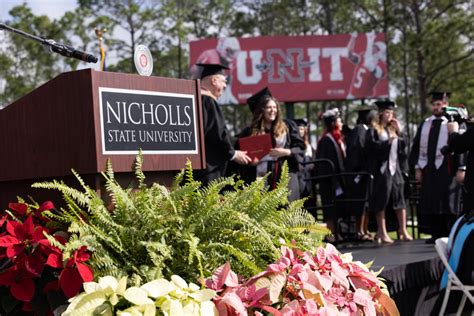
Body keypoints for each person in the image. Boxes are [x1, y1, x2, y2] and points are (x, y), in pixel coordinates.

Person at [236, 87, 305, 202]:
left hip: (285, 174)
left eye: (274, 107)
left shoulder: (287, 127)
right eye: (269, 107)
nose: (273, 110)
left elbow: (300, 147)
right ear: (261, 110)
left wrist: (287, 152)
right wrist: (250, 161)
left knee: (286, 208)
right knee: (262, 208)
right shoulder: (249, 132)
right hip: (260, 176)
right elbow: (241, 154)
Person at [409, 92, 461, 243]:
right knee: (431, 200)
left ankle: (450, 234)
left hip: (447, 168)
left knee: (448, 201)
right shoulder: (426, 124)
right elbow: (417, 147)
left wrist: (460, 167)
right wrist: (418, 168)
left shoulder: (453, 123)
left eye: (439, 104)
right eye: (434, 104)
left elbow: (459, 146)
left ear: (446, 105)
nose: (436, 107)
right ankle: (435, 234)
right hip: (429, 168)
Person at [193, 63, 251, 185]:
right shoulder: (208, 100)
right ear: (214, 81)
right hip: (208, 168)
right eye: (223, 81)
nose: (225, 86)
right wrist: (233, 153)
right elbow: (217, 132)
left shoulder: (192, 99)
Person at [365, 100, 412, 244]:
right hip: (381, 170)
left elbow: (404, 146)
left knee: (400, 198)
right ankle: (382, 232)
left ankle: (403, 230)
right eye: (387, 112)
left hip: (395, 168)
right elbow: (370, 149)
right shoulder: (374, 130)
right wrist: (388, 143)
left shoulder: (393, 129)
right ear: (380, 114)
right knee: (382, 199)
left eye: (391, 112)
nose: (390, 115)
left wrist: (400, 131)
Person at [345, 106, 377, 241]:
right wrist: (360, 168)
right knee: (361, 203)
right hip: (358, 173)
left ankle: (365, 229)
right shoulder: (359, 130)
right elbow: (356, 152)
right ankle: (359, 231)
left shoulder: (366, 130)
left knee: (366, 203)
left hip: (366, 172)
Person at [315, 108, 346, 241]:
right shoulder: (326, 140)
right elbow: (323, 165)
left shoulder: (334, 138)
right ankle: (330, 234)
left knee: (337, 207)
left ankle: (336, 233)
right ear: (333, 123)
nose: (341, 122)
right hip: (329, 182)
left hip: (336, 181)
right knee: (330, 208)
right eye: (339, 120)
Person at [190, 38, 241, 104]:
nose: (231, 54)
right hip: (201, 90)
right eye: (229, 51)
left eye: (233, 52)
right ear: (222, 48)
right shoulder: (211, 57)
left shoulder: (230, 62)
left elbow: (227, 85)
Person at [293, 118, 315, 199]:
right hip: (299, 178)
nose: (300, 131)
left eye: (302, 129)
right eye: (298, 129)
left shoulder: (309, 146)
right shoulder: (293, 145)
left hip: (308, 178)